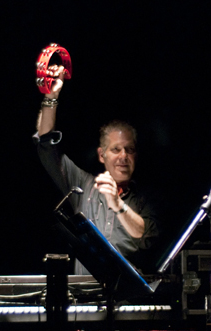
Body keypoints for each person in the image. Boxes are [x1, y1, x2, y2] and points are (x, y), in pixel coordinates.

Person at [33, 65, 160, 275]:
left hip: (125, 293)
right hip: (84, 293)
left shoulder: (145, 198)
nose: (123, 156)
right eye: (116, 149)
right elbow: (46, 146)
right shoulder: (83, 184)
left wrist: (118, 204)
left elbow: (146, 236)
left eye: (129, 150)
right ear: (102, 155)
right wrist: (51, 96)